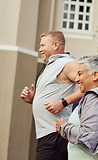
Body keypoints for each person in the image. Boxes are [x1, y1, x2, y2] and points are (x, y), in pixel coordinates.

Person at [20, 30, 84, 160]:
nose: (40, 49)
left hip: (55, 135)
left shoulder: (67, 63)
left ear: (55, 45)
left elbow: (88, 87)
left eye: (43, 45)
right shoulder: (51, 66)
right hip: (46, 135)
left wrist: (63, 102)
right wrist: (33, 99)